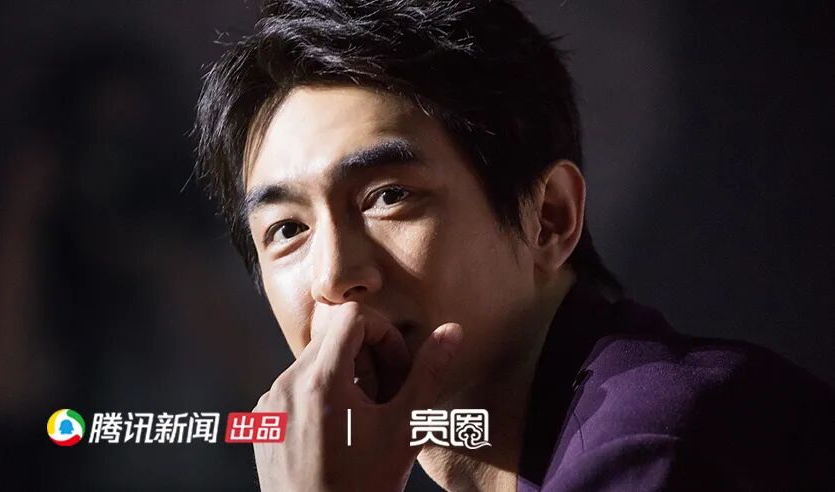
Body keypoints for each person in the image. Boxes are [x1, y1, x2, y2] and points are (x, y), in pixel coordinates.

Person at [193, 1, 835, 490]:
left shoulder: (654, 444)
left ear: (549, 218)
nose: (335, 276)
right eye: (288, 230)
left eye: (388, 196)